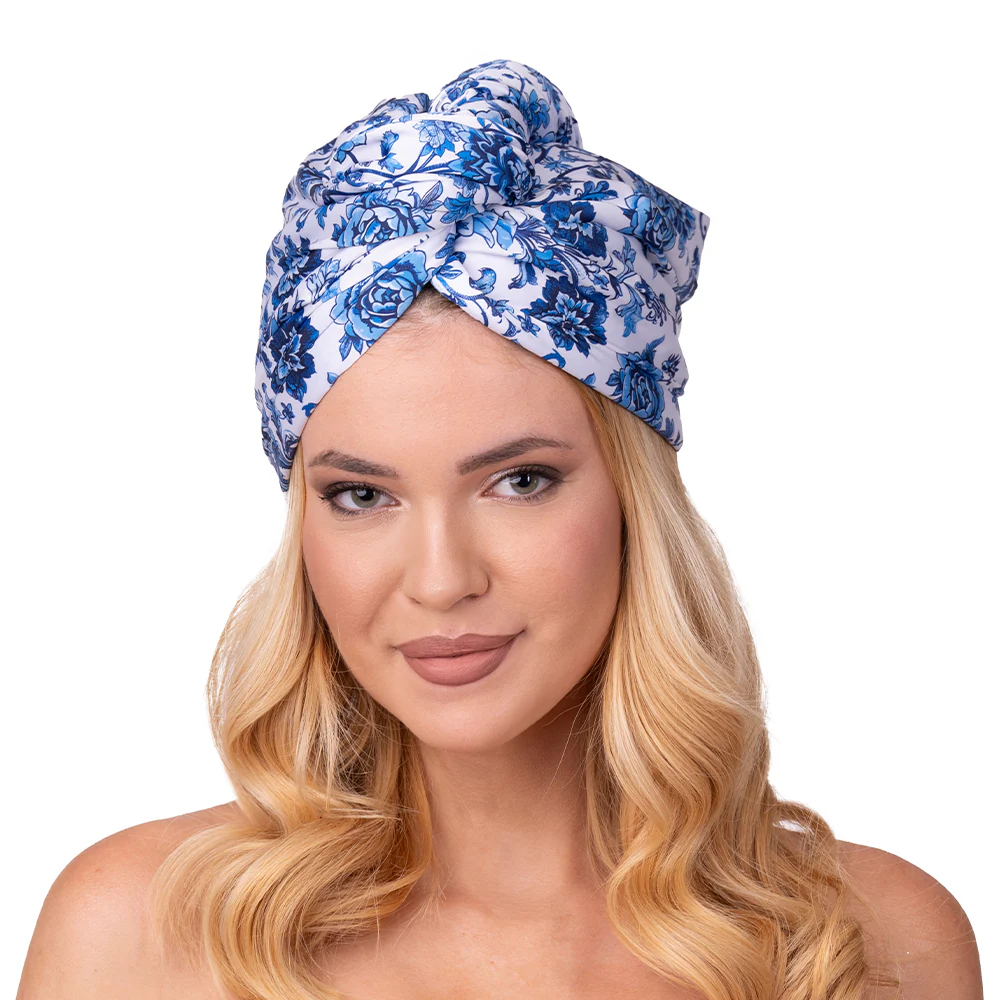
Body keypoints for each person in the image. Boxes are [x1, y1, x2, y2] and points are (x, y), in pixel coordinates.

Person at [17, 58, 982, 1000]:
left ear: (632, 500)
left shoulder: (868, 944)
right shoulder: (140, 933)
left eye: (519, 482)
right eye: (362, 496)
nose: (441, 580)